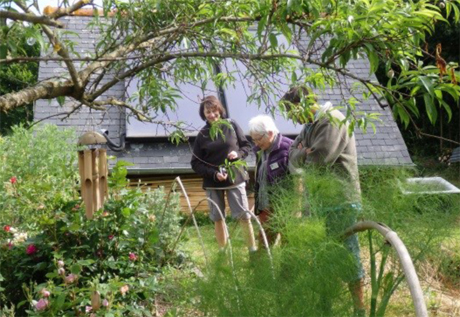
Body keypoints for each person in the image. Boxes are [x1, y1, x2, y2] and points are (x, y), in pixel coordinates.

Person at [284, 87, 365, 316]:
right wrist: (302, 153)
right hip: (319, 201)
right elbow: (291, 157)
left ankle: (359, 310)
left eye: (291, 111)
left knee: (348, 257)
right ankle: (326, 307)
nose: (290, 118)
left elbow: (318, 160)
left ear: (304, 104)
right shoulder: (309, 125)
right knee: (323, 256)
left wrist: (305, 154)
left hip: (339, 200)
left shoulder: (332, 121)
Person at [191, 95, 257, 254]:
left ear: (220, 110)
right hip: (213, 182)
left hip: (235, 178)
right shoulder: (202, 134)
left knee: (244, 216)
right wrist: (214, 174)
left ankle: (252, 250)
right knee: (218, 218)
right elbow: (195, 163)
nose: (212, 115)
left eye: (214, 111)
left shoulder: (231, 125)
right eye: (208, 112)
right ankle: (224, 253)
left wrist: (238, 154)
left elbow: (246, 146)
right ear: (203, 114)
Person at [248, 115, 293, 248]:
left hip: (284, 207)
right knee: (265, 244)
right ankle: (264, 268)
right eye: (253, 139)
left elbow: (298, 179)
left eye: (258, 139)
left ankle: (286, 269)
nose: (256, 143)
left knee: (288, 244)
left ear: (270, 133)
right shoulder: (260, 151)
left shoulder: (288, 148)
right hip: (265, 207)